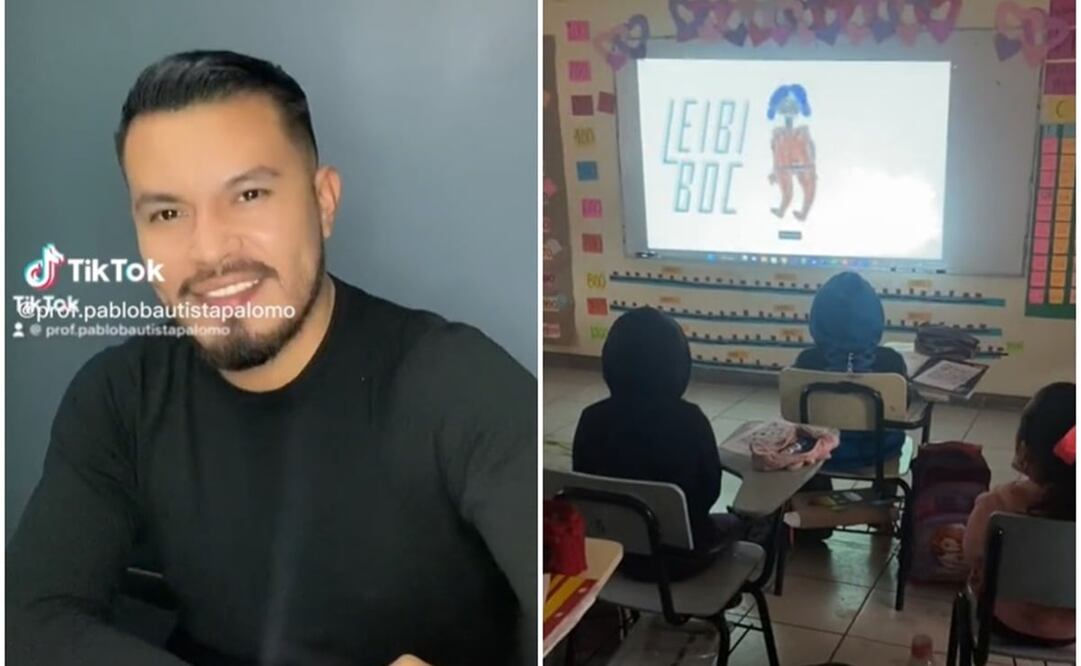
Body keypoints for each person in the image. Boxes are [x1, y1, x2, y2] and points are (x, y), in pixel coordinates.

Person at [6, 50, 536, 666]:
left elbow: (560, 592)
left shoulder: (459, 385)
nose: (209, 252)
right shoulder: (121, 396)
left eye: (249, 194)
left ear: (324, 201)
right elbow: (29, 618)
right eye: (168, 213)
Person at [572, 307, 741, 580]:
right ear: (678, 365)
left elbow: (582, 483)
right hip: (683, 557)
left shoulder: (592, 419)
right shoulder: (690, 421)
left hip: (615, 557)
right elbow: (710, 491)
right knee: (737, 521)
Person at [792, 271, 909, 538]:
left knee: (809, 435)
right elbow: (902, 410)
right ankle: (883, 509)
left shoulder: (806, 361)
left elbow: (795, 416)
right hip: (878, 452)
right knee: (892, 432)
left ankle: (815, 523)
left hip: (822, 454)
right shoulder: (890, 362)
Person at [963, 382, 1076, 647]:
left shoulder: (997, 504)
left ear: (1025, 449)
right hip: (1071, 630)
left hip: (1003, 620)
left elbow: (971, 555)